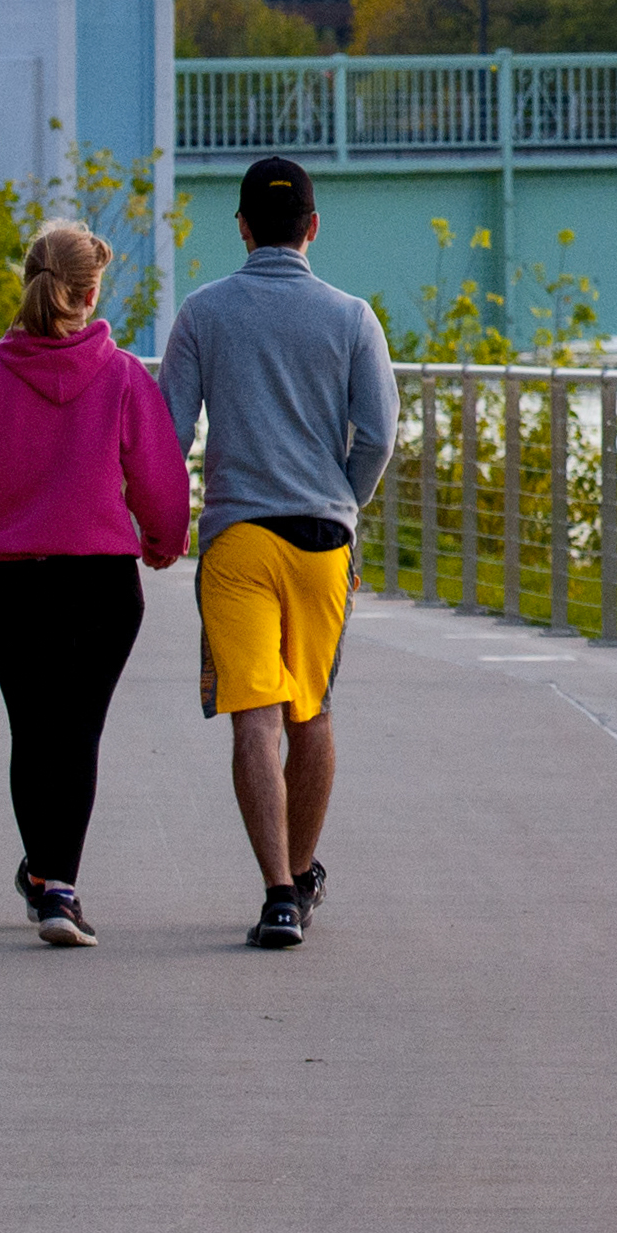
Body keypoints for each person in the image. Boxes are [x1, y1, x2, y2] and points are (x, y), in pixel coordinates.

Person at [0, 223, 188, 945]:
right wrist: (164, 542)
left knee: (34, 734)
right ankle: (54, 885)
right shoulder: (125, 375)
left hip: (17, 590)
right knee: (77, 733)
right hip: (103, 587)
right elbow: (160, 478)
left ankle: (47, 878)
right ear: (92, 293)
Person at [158, 153, 397, 951]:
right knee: (313, 710)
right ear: (313, 226)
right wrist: (345, 495)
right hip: (322, 541)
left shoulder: (201, 312)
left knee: (253, 715)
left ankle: (277, 895)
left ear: (242, 227)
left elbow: (169, 430)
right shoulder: (353, 316)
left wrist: (165, 518)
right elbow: (381, 431)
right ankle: (302, 874)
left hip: (238, 539)